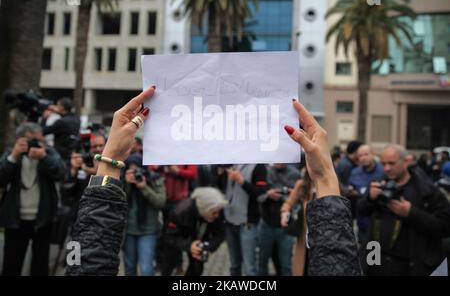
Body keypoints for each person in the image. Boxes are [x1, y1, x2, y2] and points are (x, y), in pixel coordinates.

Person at [66, 88, 361, 276]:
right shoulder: (188, 209)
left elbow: (90, 263)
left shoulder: (253, 171)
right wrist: (325, 178)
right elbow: (337, 263)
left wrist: (110, 158)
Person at [357, 145, 450, 275]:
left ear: (406, 161)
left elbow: (444, 227)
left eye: (391, 163)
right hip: (376, 261)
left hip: (411, 265)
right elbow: (360, 211)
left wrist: (411, 213)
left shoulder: (426, 191)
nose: (387, 168)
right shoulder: (379, 185)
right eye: (383, 164)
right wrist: (369, 198)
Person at [0, 122, 65, 276]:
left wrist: (44, 157)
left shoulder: (48, 152)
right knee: (11, 264)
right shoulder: (12, 153)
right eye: (30, 140)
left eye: (37, 140)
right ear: (19, 139)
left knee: (40, 265)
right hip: (15, 219)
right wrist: (13, 156)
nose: (34, 144)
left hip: (42, 218)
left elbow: (61, 172)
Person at [162, 187, 227, 276]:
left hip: (200, 236)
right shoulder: (180, 211)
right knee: (168, 263)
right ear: (204, 209)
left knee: (197, 267)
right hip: (180, 234)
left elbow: (220, 235)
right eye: (213, 213)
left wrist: (208, 246)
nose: (217, 215)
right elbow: (169, 237)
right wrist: (189, 245)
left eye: (218, 212)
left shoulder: (217, 209)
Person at [123, 153, 166, 276]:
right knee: (130, 268)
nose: (135, 173)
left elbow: (160, 202)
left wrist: (144, 188)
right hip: (128, 231)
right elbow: (118, 204)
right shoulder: (122, 181)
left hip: (148, 230)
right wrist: (126, 184)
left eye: (137, 169)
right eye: (131, 170)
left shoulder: (154, 179)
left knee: (146, 269)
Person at [224, 164, 268, 276]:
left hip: (247, 224)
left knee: (249, 268)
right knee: (234, 265)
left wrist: (241, 181)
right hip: (229, 221)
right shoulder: (232, 163)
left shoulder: (258, 166)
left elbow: (261, 195)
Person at [257, 163, 300, 276]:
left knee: (286, 265)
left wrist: (290, 195)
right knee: (262, 262)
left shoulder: (295, 174)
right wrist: (268, 194)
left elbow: (299, 199)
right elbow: (257, 195)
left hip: (286, 226)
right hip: (267, 223)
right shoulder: (265, 172)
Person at [281, 171, 316, 275]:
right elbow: (288, 203)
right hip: (304, 236)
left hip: (323, 238)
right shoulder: (302, 184)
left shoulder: (329, 183)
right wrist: (285, 213)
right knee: (302, 268)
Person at [348, 144, 384, 244]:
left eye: (366, 154)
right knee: (364, 254)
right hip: (361, 222)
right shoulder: (355, 172)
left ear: (373, 154)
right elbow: (351, 188)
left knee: (376, 256)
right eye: (360, 155)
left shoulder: (383, 171)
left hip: (379, 222)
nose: (363, 158)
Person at [43, 98, 80, 162]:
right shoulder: (76, 119)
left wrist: (45, 118)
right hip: (72, 152)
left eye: (57, 105)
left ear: (62, 107)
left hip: (60, 154)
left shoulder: (61, 122)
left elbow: (44, 131)